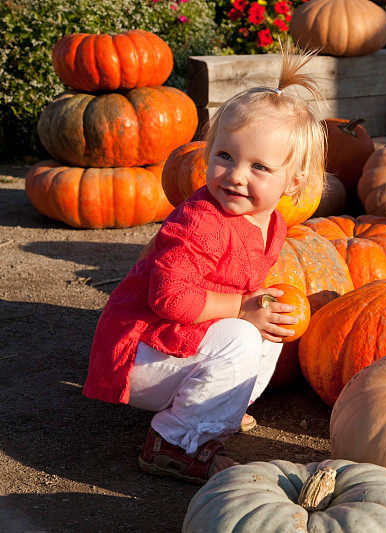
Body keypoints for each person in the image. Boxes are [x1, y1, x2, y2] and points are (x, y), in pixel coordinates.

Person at [82, 43, 327, 484]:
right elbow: (169, 297)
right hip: (139, 350)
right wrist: (240, 308)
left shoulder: (271, 223)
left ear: (296, 182)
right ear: (208, 151)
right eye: (225, 157)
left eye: (259, 167)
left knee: (268, 327)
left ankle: (216, 411)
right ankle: (174, 444)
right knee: (241, 335)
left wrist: (254, 310)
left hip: (176, 342)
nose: (236, 175)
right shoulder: (201, 223)